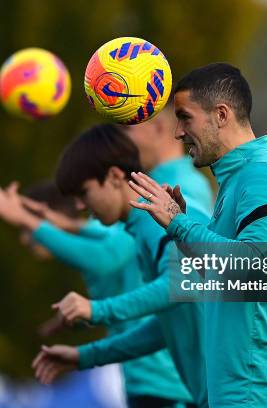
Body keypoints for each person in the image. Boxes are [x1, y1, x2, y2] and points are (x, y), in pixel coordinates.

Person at [127, 63, 267, 407]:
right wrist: (184, 232)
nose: (178, 132)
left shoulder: (260, 176)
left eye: (185, 118)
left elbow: (254, 267)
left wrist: (179, 224)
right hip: (245, 388)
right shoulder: (240, 176)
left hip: (261, 388)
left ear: (221, 114)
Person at [31, 125, 211, 407]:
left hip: (241, 392)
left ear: (115, 176)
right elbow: (164, 327)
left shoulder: (155, 218)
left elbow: (179, 286)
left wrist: (97, 309)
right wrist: (85, 356)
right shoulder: (141, 226)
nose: (79, 205)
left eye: (83, 192)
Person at [0, 177, 193, 407]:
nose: (24, 238)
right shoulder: (96, 234)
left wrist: (27, 219)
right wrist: (79, 319)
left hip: (164, 381)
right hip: (140, 378)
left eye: (24, 229)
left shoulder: (117, 232)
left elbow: (104, 258)